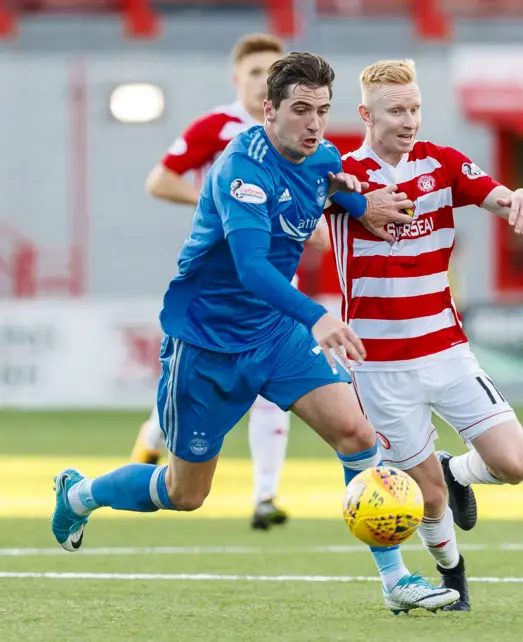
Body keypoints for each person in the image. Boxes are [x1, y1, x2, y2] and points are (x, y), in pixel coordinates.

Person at [51, 52, 459, 613]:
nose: (314, 123)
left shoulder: (322, 156)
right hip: (207, 344)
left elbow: (331, 185)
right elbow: (251, 267)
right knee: (184, 493)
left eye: (322, 110)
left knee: (357, 434)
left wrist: (362, 206)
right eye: (300, 110)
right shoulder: (241, 169)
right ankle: (79, 493)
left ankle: (396, 581)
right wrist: (316, 315)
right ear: (268, 110)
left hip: (273, 334)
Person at [326, 59, 523, 611]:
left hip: (447, 350)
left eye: (415, 108)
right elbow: (311, 193)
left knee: (515, 464)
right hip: (381, 368)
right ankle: (453, 573)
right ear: (365, 114)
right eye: (396, 110)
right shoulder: (345, 177)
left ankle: (458, 468)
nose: (409, 119)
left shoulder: (441, 164)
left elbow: (492, 193)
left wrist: (516, 196)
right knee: (427, 498)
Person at [130, 33, 330, 530]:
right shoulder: (220, 128)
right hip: (219, 288)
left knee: (271, 391)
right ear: (238, 80)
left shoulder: (304, 134)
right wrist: (218, 204)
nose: (264, 78)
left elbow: (322, 196)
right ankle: (149, 448)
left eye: (271, 70)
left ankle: (265, 495)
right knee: (192, 398)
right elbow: (159, 180)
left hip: (273, 288)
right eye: (254, 72)